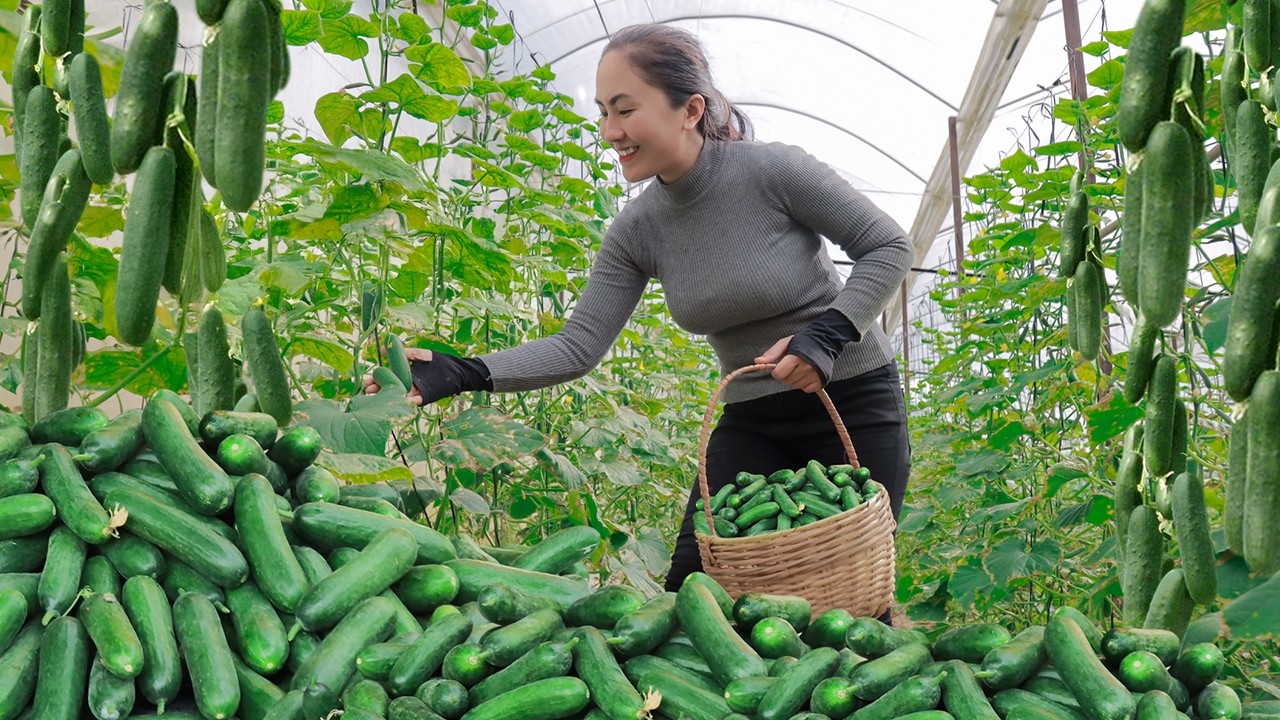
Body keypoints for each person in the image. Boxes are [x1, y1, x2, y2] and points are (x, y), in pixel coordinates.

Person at [366, 23, 913, 595]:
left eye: (625, 111)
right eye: (603, 112)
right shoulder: (636, 230)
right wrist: (465, 370)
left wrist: (824, 336)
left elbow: (888, 245)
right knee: (692, 591)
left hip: (850, 405)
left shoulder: (773, 170)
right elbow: (578, 346)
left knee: (849, 605)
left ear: (690, 109)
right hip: (752, 421)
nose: (610, 132)